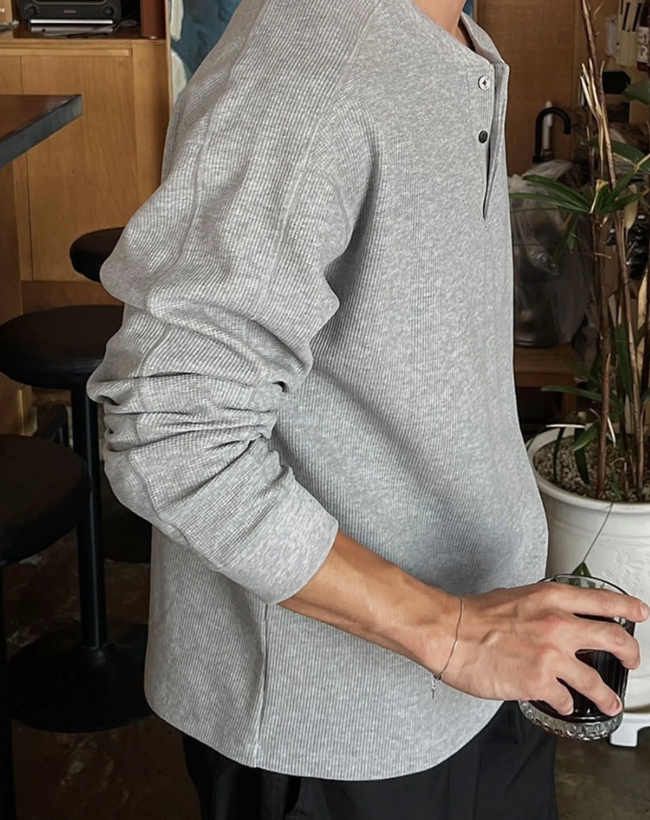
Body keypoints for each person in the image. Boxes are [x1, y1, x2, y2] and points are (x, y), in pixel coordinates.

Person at [87, 0, 648, 818]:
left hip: (483, 675)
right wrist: (450, 630)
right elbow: (170, 428)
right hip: (337, 728)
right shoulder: (311, 61)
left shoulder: (448, 37)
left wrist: (481, 627)